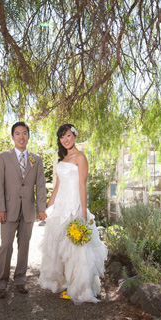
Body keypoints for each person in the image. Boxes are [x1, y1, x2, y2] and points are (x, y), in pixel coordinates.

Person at [38, 124, 107, 304]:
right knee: (59, 246)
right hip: (61, 206)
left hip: (74, 205)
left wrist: (83, 212)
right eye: (62, 137)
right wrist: (48, 208)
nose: (65, 140)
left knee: (76, 249)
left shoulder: (81, 157)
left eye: (68, 135)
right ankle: (66, 282)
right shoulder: (64, 158)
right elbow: (57, 186)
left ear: (75, 136)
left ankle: (80, 288)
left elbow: (82, 186)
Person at [0, 121, 47, 299]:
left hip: (28, 210)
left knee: (24, 246)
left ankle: (20, 280)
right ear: (12, 136)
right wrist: (0, 208)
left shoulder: (36, 159)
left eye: (24, 133)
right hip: (8, 210)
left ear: (28, 136)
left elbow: (40, 186)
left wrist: (41, 208)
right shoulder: (3, 157)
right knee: (6, 246)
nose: (21, 137)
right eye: (17, 133)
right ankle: (1, 283)